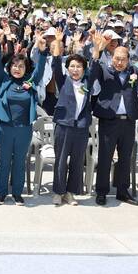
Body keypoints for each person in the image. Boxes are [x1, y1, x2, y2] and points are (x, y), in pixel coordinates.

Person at [89, 30, 138, 206]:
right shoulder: (105, 71)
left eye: (123, 59)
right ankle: (101, 191)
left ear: (128, 59)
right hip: (109, 121)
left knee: (125, 158)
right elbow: (92, 71)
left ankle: (123, 191)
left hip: (128, 122)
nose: (119, 62)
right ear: (112, 58)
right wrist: (97, 49)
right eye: (116, 58)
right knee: (105, 158)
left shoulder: (134, 72)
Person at [0, 30, 48, 204]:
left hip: (24, 129)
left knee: (20, 162)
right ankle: (1, 192)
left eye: (21, 66)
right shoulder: (4, 80)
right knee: (4, 161)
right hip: (4, 128)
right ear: (10, 67)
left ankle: (17, 192)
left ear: (25, 69)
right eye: (14, 66)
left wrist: (43, 52)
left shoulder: (29, 83)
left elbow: (39, 72)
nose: (17, 68)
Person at [48, 37, 94, 206]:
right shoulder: (63, 80)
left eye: (79, 66)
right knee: (60, 161)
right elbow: (55, 65)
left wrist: (97, 50)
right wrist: (58, 45)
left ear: (83, 69)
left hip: (81, 127)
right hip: (64, 126)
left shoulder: (87, 82)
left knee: (76, 160)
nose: (75, 70)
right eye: (72, 66)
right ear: (67, 69)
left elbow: (95, 69)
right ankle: (58, 192)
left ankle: (70, 193)